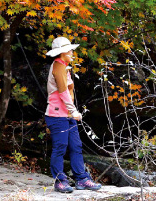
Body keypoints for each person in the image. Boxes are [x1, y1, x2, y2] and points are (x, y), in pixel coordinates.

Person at [44, 36, 101, 193]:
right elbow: (62, 92)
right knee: (60, 148)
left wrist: (71, 112)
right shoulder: (58, 67)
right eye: (69, 50)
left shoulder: (64, 66)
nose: (72, 52)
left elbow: (68, 93)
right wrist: (74, 110)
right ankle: (59, 181)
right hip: (56, 115)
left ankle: (82, 179)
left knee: (76, 146)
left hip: (67, 115)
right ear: (62, 52)